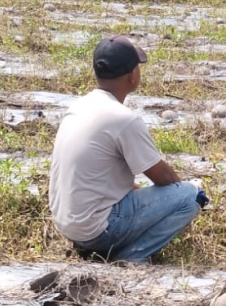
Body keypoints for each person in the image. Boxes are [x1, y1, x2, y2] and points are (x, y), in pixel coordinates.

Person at [49, 35, 206, 263]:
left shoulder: (78, 106)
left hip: (68, 226)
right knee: (192, 195)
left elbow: (104, 176)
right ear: (132, 76)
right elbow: (164, 177)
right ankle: (131, 258)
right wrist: (177, 191)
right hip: (96, 231)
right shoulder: (124, 119)